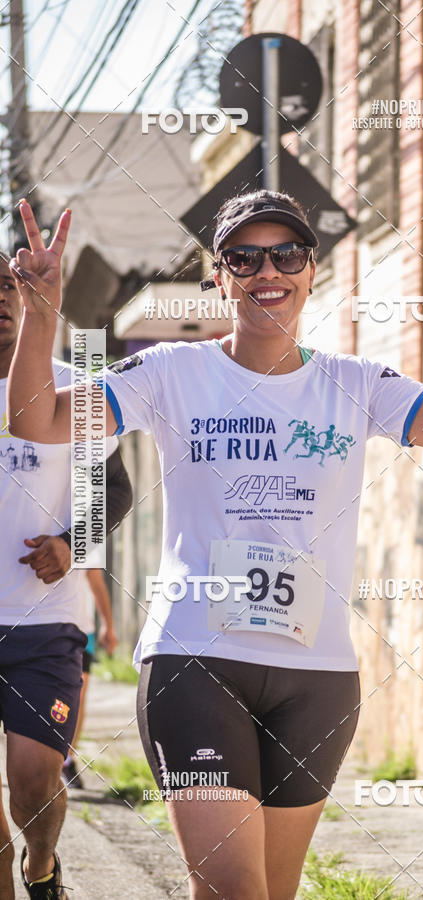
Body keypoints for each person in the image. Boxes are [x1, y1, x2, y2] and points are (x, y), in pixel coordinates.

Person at [7, 192, 423, 900]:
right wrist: (41, 314)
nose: (267, 270)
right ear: (217, 277)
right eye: (243, 258)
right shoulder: (171, 373)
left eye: (287, 253)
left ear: (312, 269)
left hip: (317, 679)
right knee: (233, 891)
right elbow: (38, 419)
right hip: (196, 661)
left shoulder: (355, 383)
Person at [0, 246, 132, 899]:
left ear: (28, 293)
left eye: (9, 283)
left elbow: (116, 487)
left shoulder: (71, 387)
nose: (0, 297)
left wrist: (71, 542)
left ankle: (41, 866)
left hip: (45, 624)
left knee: (33, 777)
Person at [61, 568, 118, 789]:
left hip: (81, 630)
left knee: (77, 697)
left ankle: (66, 758)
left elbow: (95, 578)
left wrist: (108, 625)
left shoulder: (86, 532)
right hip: (33, 627)